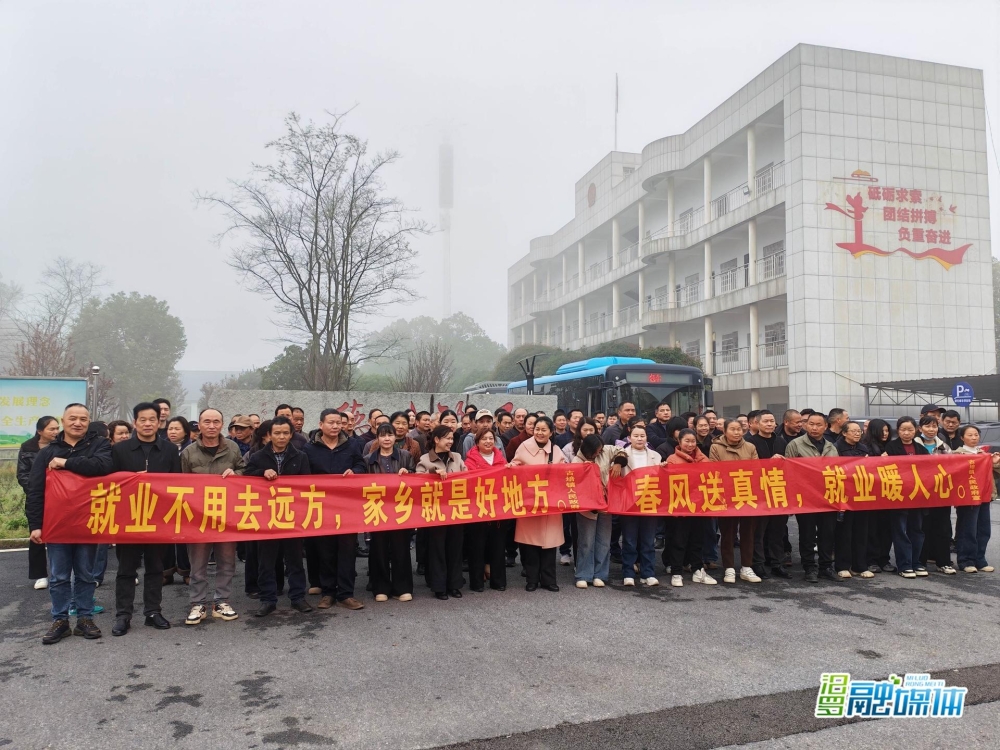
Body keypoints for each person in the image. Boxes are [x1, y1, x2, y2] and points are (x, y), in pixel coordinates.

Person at [27, 403, 113, 644]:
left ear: (88, 422)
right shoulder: (47, 452)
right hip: (58, 524)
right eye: (72, 418)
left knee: (86, 574)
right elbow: (36, 490)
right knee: (59, 576)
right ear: (63, 421)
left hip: (89, 521)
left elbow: (102, 466)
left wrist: (65, 463)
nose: (78, 423)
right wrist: (35, 525)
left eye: (83, 419)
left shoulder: (99, 445)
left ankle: (85, 618)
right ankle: (60, 620)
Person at [110, 402, 180, 636]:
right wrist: (130, 479)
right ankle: (123, 615)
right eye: (143, 419)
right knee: (126, 569)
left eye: (152, 419)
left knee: (155, 567)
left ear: (159, 422)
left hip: (158, 518)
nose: (148, 424)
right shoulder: (120, 449)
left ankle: (153, 612)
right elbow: (110, 482)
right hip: (128, 518)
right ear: (135, 422)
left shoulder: (169, 450)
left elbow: (178, 482)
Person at [243, 416, 314, 616]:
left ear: (291, 435)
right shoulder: (258, 456)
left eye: (285, 433)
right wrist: (262, 472)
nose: (281, 437)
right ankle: (267, 599)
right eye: (277, 433)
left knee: (295, 560)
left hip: (292, 515)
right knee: (266, 561)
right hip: (266, 516)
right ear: (269, 435)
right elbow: (246, 477)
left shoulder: (300, 456)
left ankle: (298, 597)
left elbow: (307, 484)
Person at [181, 408, 245, 625]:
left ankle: (222, 601)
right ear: (199, 425)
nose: (211, 426)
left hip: (227, 515)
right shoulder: (188, 452)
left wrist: (236, 473)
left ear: (222, 424)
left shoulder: (232, 448)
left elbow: (245, 470)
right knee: (198, 563)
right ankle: (197, 603)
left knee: (226, 561)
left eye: (216, 421)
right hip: (198, 516)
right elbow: (179, 484)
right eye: (207, 421)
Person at [302, 409, 366, 610]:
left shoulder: (352, 444)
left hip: (347, 506)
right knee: (325, 550)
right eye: (331, 422)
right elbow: (302, 475)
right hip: (322, 506)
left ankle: (346, 594)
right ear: (321, 425)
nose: (336, 426)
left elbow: (361, 465)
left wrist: (355, 471)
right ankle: (328, 592)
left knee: (347, 550)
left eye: (339, 422)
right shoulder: (309, 448)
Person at [510, 416, 566, 592]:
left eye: (544, 430)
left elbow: (564, 472)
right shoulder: (524, 447)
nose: (540, 433)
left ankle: (549, 580)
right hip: (530, 502)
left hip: (550, 503)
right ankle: (532, 580)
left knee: (549, 544)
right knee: (530, 544)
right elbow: (515, 466)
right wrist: (511, 467)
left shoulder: (556, 450)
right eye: (537, 429)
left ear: (551, 432)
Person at [785, 412, 840, 583]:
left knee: (827, 534)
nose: (814, 428)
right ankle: (809, 568)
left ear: (825, 427)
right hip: (805, 498)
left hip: (827, 498)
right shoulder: (795, 445)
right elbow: (788, 472)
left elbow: (838, 472)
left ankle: (826, 567)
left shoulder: (831, 447)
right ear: (805, 425)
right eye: (811, 424)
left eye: (818, 425)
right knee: (807, 535)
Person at [363, 423, 416, 602]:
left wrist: (408, 473)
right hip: (377, 509)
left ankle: (402, 588)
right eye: (383, 435)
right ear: (377, 438)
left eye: (390, 435)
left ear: (395, 437)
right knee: (379, 549)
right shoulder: (368, 459)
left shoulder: (405, 455)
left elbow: (417, 478)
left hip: (400, 509)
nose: (387, 439)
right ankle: (381, 587)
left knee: (401, 548)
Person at [416, 425, 467, 600]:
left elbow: (468, 477)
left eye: (452, 439)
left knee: (455, 549)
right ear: (437, 440)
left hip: (455, 510)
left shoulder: (457, 457)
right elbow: (417, 480)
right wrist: (432, 473)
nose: (451, 442)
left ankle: (454, 584)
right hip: (435, 512)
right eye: (447, 438)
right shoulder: (425, 459)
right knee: (437, 550)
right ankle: (439, 586)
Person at [709, 419, 761, 584]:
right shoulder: (716, 447)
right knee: (728, 533)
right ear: (724, 431)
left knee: (748, 532)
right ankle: (729, 568)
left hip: (747, 495)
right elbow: (714, 470)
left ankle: (746, 567)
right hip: (726, 496)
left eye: (739, 429)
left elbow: (756, 470)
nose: (737, 432)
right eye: (732, 429)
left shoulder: (750, 447)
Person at [664, 429, 717, 586]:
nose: (690, 444)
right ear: (679, 442)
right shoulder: (672, 459)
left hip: (699, 506)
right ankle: (676, 572)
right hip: (680, 507)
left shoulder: (703, 459)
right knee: (678, 540)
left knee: (697, 540)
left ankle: (697, 570)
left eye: (693, 441)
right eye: (686, 441)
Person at [572, 434, 624, 589]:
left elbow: (621, 450)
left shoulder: (606, 451)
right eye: (596, 451)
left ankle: (600, 574)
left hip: (606, 504)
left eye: (600, 450)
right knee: (586, 541)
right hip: (587, 507)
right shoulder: (577, 461)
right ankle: (583, 574)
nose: (599, 452)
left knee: (604, 541)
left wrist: (618, 463)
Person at [464, 426, 510, 592]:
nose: (488, 441)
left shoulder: (501, 459)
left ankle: (498, 581)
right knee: (477, 547)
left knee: (498, 546)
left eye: (491, 438)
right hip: (478, 510)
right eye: (484, 439)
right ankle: (477, 582)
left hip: (498, 510)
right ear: (477, 442)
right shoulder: (469, 461)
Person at [745, 410, 789, 579]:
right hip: (759, 492)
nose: (770, 424)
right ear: (757, 423)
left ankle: (777, 563)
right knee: (759, 531)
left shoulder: (781, 441)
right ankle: (758, 564)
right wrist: (768, 464)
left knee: (778, 531)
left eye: (772, 421)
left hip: (778, 490)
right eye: (766, 421)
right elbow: (748, 468)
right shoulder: (750, 442)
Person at [18, 416, 59, 590]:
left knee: (60, 535)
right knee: (37, 535)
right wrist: (38, 490)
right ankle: (40, 575)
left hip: (59, 497)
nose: (56, 432)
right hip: (37, 498)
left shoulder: (61, 446)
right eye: (51, 429)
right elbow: (22, 474)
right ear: (40, 431)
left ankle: (60, 573)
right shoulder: (27, 447)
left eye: (57, 428)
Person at [619, 423, 663, 586]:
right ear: (629, 438)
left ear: (647, 438)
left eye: (642, 436)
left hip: (650, 501)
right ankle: (628, 572)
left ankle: (648, 573)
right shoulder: (621, 455)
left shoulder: (656, 456)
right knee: (629, 540)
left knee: (648, 540)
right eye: (636, 436)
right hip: (629, 503)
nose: (639, 439)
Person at [884, 417, 927, 579]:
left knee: (917, 530)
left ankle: (916, 562)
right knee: (900, 531)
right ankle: (904, 564)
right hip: (899, 495)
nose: (907, 433)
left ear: (916, 430)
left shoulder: (921, 448)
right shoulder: (891, 447)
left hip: (917, 496)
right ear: (898, 430)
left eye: (910, 429)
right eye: (903, 430)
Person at [914, 415, 955, 575]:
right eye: (927, 426)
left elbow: (953, 467)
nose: (931, 430)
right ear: (920, 428)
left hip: (941, 494)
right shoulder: (914, 445)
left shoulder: (944, 446)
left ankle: (943, 562)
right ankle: (920, 562)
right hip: (920, 494)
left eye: (934, 426)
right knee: (922, 528)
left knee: (943, 528)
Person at [833, 421, 874, 580]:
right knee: (844, 532)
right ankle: (842, 566)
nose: (857, 434)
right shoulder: (836, 448)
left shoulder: (864, 448)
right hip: (843, 495)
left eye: (859, 431)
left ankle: (859, 566)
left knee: (861, 532)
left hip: (862, 494)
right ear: (844, 433)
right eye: (853, 431)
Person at [953, 424, 997, 574]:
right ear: (962, 438)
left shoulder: (984, 454)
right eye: (970, 435)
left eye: (976, 435)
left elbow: (995, 471)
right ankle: (966, 560)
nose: (974, 438)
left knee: (983, 529)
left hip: (984, 495)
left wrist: (995, 461)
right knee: (968, 529)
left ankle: (980, 559)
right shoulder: (957, 454)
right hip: (967, 497)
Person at [861, 418, 894, 574]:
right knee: (872, 529)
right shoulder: (864, 447)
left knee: (886, 529)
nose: (885, 434)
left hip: (889, 493)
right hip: (871, 494)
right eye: (882, 431)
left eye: (887, 431)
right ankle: (871, 560)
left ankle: (884, 559)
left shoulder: (891, 446)